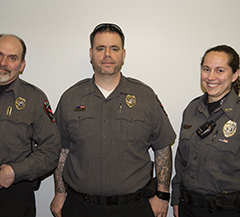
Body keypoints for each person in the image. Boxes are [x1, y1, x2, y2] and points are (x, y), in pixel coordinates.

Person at [50, 23, 176, 217]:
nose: (107, 54)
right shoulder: (70, 98)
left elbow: (162, 147)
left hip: (134, 207)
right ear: (91, 53)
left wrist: (162, 195)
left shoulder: (145, 96)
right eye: (100, 48)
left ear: (123, 54)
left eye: (114, 49)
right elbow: (61, 150)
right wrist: (59, 192)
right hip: (81, 207)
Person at [0, 34, 61, 217]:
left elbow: (51, 149)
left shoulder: (34, 99)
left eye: (12, 58)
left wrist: (17, 171)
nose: (3, 63)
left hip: (14, 195)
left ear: (22, 65)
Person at [171, 45, 240, 217]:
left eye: (219, 70)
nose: (211, 77)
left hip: (229, 211)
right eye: (206, 69)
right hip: (189, 208)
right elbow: (181, 162)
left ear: (235, 74)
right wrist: (176, 199)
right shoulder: (192, 109)